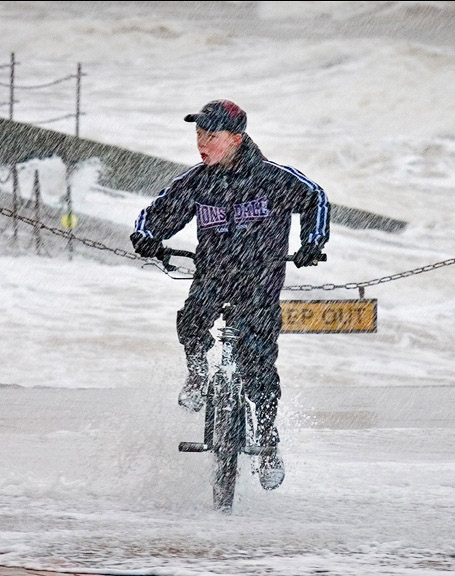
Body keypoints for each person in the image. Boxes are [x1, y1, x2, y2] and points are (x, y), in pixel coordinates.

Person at [131, 99, 330, 490]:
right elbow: (158, 213)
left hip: (259, 283)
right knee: (191, 321)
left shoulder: (273, 178)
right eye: (198, 134)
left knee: (258, 369)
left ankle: (268, 441)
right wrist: (147, 237)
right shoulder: (196, 181)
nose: (201, 143)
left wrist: (312, 242)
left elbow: (315, 198)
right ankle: (197, 375)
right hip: (213, 277)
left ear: (236, 138)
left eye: (211, 136)